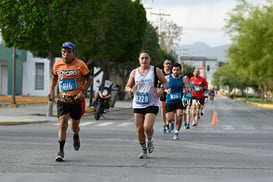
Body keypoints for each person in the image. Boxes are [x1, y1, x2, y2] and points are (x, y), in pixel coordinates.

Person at [48, 42, 92, 162]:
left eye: (68, 52)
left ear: (74, 53)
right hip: (63, 99)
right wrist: (51, 91)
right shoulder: (57, 65)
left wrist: (83, 91)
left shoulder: (80, 64)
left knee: (74, 125)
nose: (66, 54)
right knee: (63, 123)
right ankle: (60, 151)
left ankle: (76, 134)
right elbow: (54, 77)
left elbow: (89, 79)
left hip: (76, 100)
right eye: (64, 52)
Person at [125, 50, 167, 159]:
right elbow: (127, 86)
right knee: (139, 129)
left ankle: (150, 139)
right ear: (139, 60)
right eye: (142, 58)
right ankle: (143, 150)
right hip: (138, 103)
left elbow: (164, 82)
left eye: (146, 58)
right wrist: (130, 89)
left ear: (150, 59)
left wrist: (161, 89)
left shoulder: (155, 71)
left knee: (147, 127)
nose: (144, 60)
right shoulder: (134, 72)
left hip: (152, 103)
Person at [164, 63, 189, 140]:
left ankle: (176, 132)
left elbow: (188, 89)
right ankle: (171, 123)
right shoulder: (167, 78)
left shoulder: (183, 79)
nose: (176, 71)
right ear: (172, 70)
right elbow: (162, 88)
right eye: (174, 70)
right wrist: (166, 90)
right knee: (169, 118)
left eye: (177, 70)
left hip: (178, 101)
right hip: (169, 101)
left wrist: (186, 90)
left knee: (179, 115)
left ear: (180, 71)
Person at [159, 60, 172, 133]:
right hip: (163, 92)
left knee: (169, 109)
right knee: (163, 109)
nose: (168, 65)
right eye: (167, 63)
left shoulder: (172, 72)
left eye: (169, 64)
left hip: (170, 92)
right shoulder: (160, 72)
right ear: (164, 64)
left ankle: (168, 122)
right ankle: (165, 124)